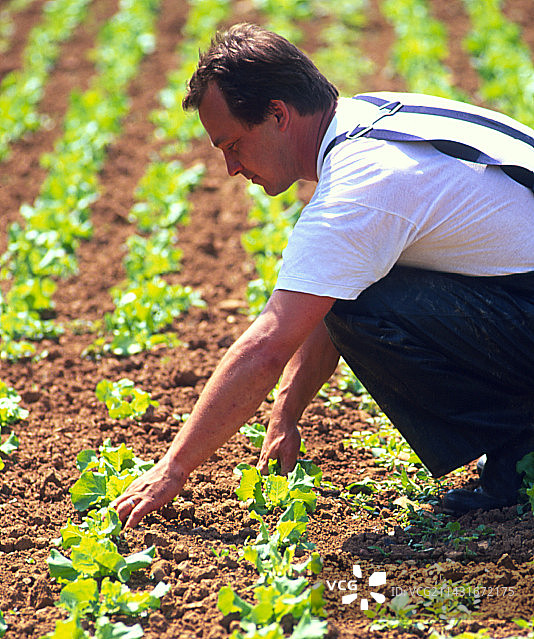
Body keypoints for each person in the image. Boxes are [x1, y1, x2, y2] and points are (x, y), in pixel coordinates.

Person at [113, 23, 534, 529]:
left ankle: (522, 456)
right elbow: (329, 289)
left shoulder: (359, 187)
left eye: (233, 145)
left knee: (359, 304)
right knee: (352, 291)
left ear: (278, 115)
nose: (230, 167)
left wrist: (173, 469)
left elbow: (267, 346)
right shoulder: (370, 115)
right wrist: (285, 412)